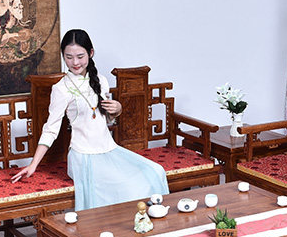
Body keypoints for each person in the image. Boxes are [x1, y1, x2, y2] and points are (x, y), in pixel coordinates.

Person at [11, 29, 169, 210]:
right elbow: (50, 129)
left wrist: (117, 109)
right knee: (126, 186)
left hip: (109, 150)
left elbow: (107, 120)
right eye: (69, 57)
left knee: (155, 172)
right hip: (83, 156)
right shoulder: (61, 88)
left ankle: (149, 220)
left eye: (80, 56)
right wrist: (33, 165)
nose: (75, 62)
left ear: (90, 53)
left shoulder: (100, 81)